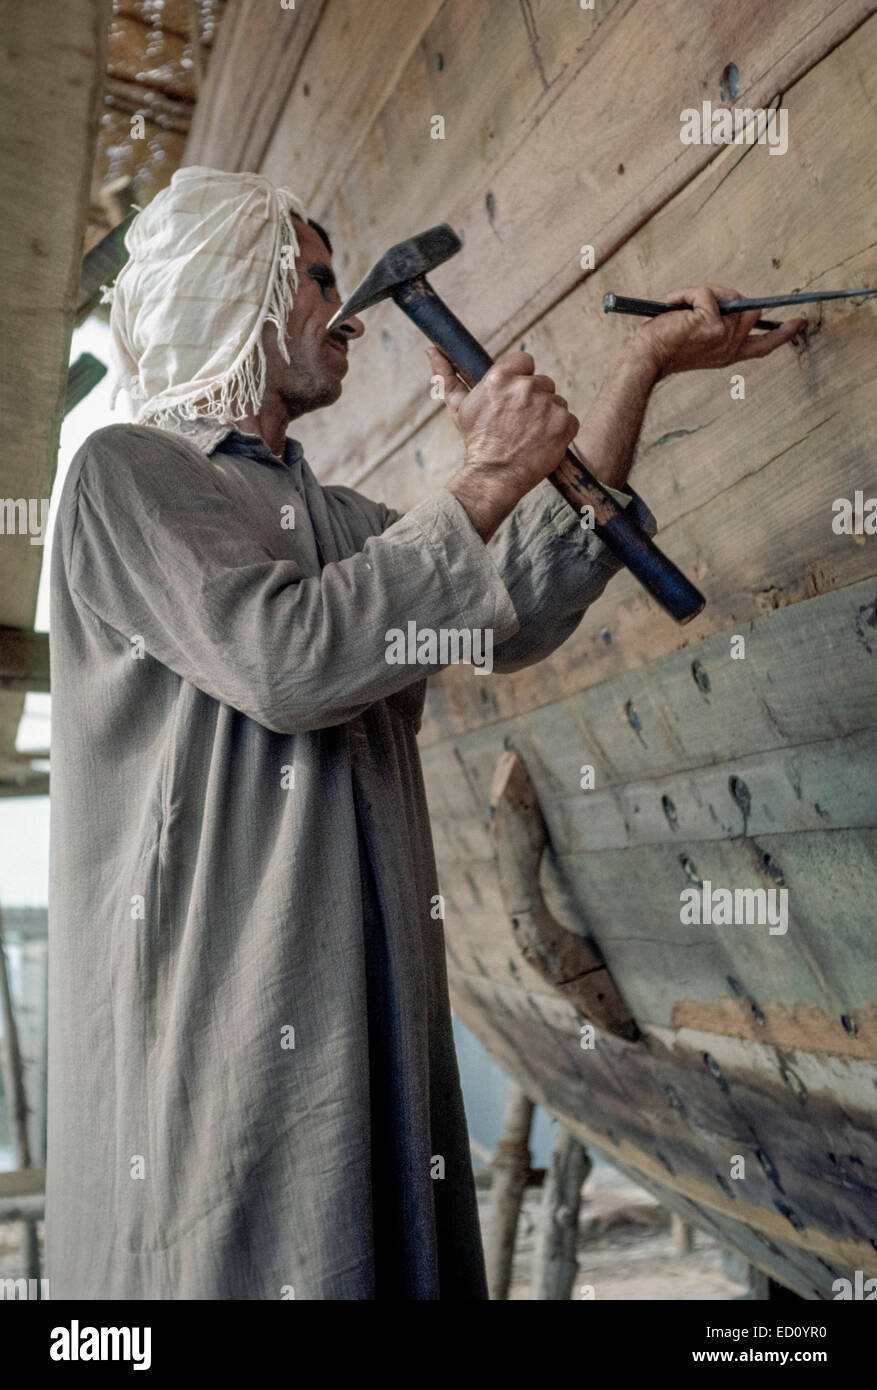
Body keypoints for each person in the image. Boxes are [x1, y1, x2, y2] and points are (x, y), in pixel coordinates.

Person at [45, 167, 805, 1300]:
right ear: (230, 289)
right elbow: (288, 660)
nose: (345, 313)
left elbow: (517, 607)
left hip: (367, 1008)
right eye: (315, 282)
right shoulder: (124, 477)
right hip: (225, 1033)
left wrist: (636, 372)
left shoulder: (337, 517)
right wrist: (485, 471)